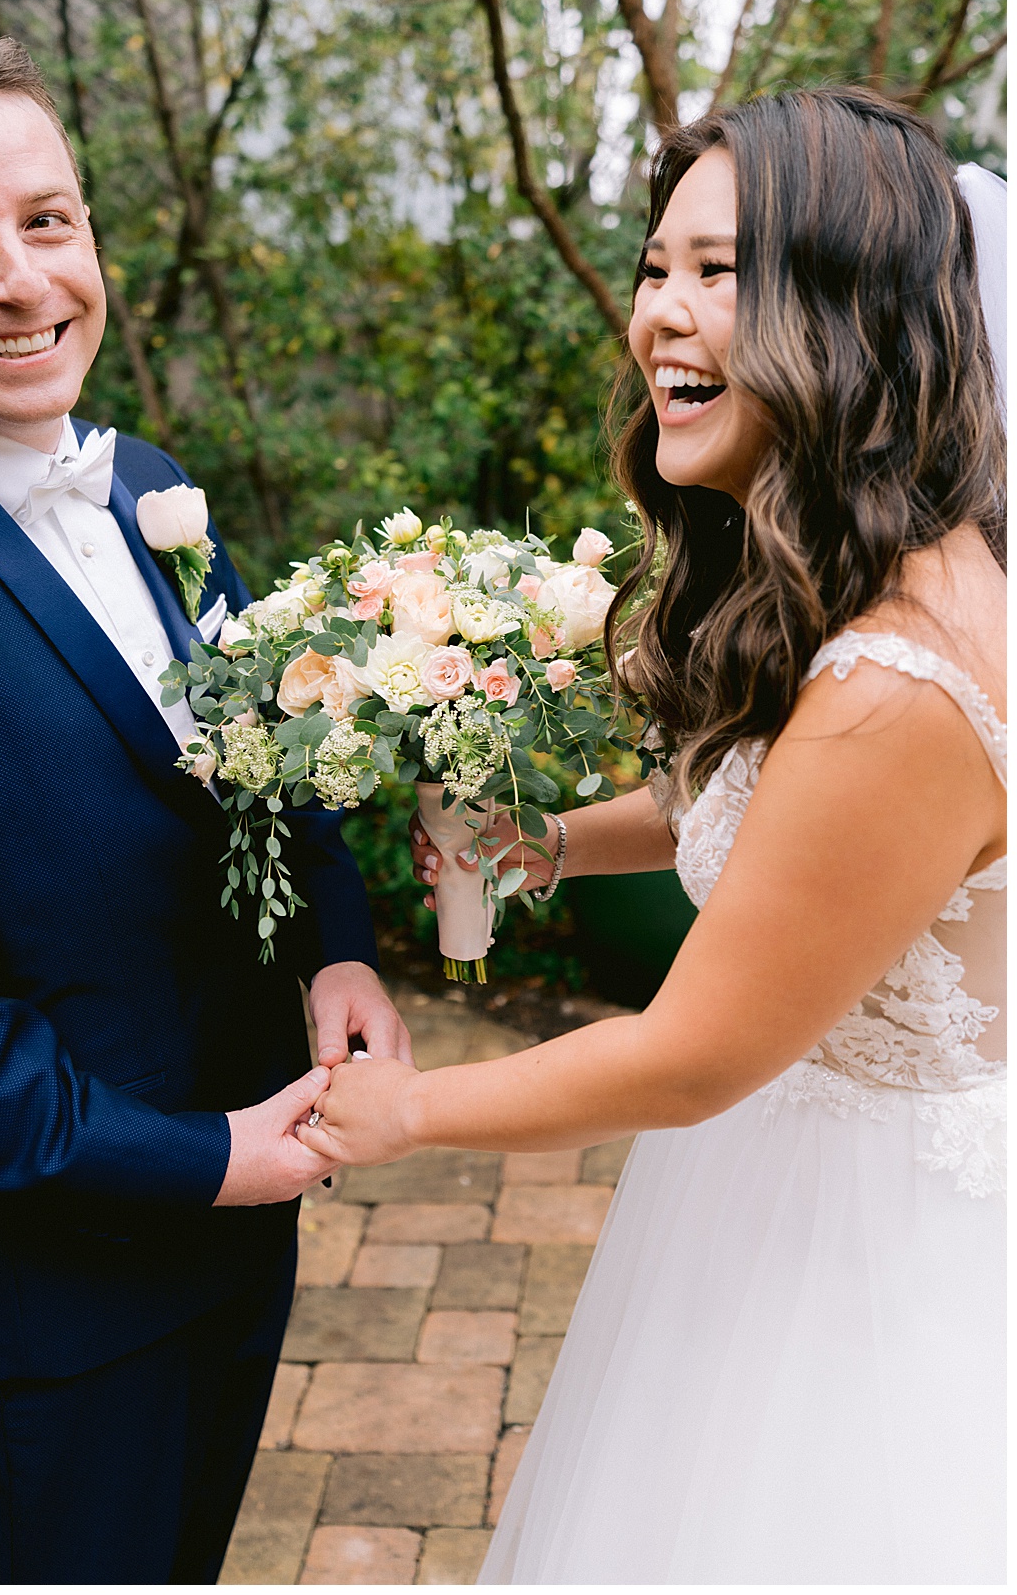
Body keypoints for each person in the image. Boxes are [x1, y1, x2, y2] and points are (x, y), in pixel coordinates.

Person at [305, 87, 1006, 1583]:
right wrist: (543, 839)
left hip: (861, 1264)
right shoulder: (859, 569)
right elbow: (757, 815)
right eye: (656, 266)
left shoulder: (902, 682)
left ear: (851, 307)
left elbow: (693, 1052)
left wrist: (407, 1115)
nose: (663, 316)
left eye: (723, 272)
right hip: (782, 1179)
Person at [0, 28, 412, 1585]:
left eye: (49, 219)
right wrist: (204, 1157)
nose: (21, 277)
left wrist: (337, 950)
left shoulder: (141, 475)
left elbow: (269, 753)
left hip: (236, 1226)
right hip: (56, 1297)